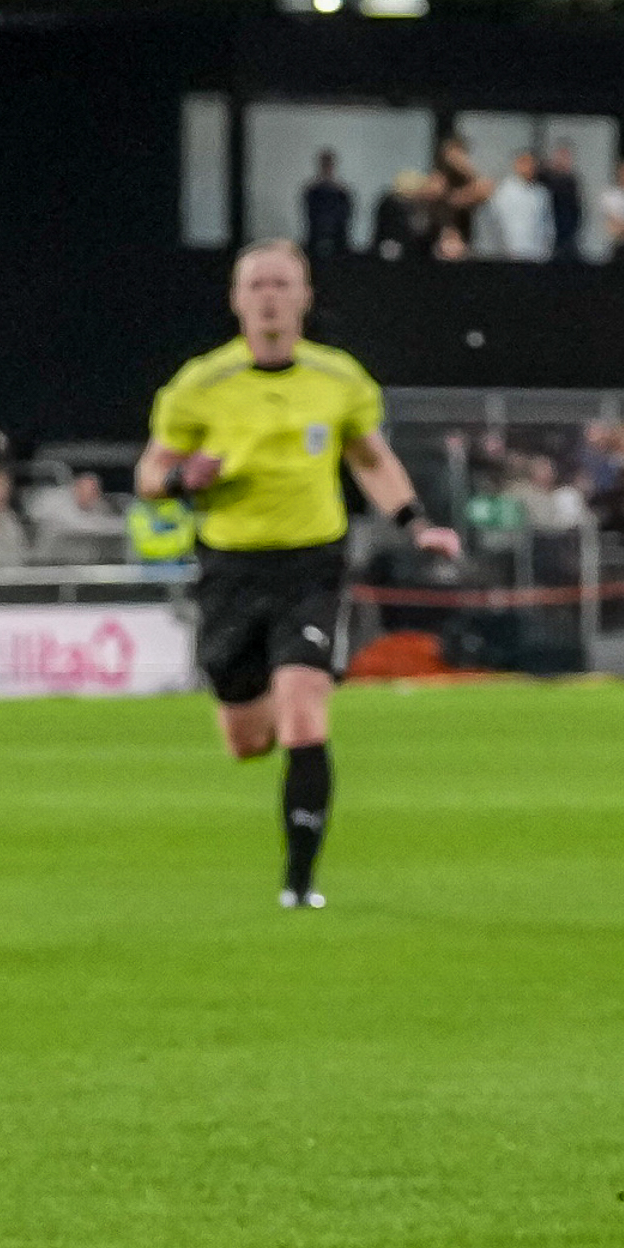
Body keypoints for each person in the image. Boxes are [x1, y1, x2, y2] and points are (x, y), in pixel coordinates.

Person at [135, 240, 459, 911]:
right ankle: (275, 723)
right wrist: (178, 479)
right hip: (230, 565)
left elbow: (370, 459)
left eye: (283, 283)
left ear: (305, 297)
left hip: (312, 562)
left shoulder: (339, 379)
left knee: (305, 715)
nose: (270, 296)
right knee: (247, 740)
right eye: (257, 285)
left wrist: (416, 521)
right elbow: (148, 475)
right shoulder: (201, 384)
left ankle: (299, 884)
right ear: (237, 299)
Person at [487, 149, 551, 260]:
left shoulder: (541, 193)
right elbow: (496, 221)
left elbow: (547, 224)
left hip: (536, 255)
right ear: (516, 164)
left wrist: (545, 251)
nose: (529, 167)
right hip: (509, 254)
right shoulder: (504, 190)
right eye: (524, 163)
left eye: (531, 164)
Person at [300, 150, 353, 263]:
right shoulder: (313, 191)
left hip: (337, 245)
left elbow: (345, 220)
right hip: (316, 242)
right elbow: (310, 218)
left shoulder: (341, 193)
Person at [541, 141, 585, 261]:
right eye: (561, 156)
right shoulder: (546, 178)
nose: (564, 160)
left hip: (568, 233)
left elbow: (576, 209)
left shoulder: (572, 181)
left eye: (566, 157)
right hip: (550, 230)